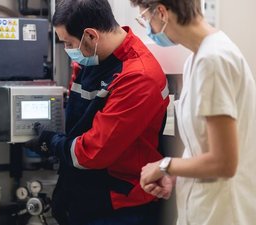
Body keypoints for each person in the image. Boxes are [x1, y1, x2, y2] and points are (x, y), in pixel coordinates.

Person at [25, 0, 170, 224]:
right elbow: (77, 123)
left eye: (68, 43)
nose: (67, 50)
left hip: (119, 206)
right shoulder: (90, 60)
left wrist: (52, 142)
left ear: (91, 36)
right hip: (83, 196)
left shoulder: (138, 77)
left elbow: (93, 152)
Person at [129, 0, 256, 225]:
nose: (147, 27)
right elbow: (202, 146)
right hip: (203, 207)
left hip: (223, 213)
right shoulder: (195, 61)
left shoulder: (213, 61)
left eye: (146, 19)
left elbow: (224, 162)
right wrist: (175, 175)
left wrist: (164, 165)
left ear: (161, 12)